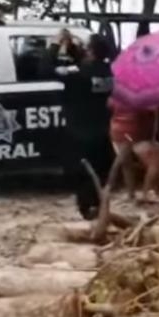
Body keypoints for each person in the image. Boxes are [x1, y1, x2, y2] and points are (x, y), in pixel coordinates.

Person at [60, 34, 116, 220]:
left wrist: (56, 47)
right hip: (104, 128)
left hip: (81, 130)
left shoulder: (79, 73)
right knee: (101, 170)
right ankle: (99, 204)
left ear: (90, 51)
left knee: (83, 170)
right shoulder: (110, 71)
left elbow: (45, 70)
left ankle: (87, 207)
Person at [108, 98, 154, 201]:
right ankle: (108, 186)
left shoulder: (115, 97)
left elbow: (109, 107)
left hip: (117, 130)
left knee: (126, 164)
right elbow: (148, 112)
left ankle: (130, 193)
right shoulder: (138, 98)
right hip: (133, 131)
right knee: (123, 161)